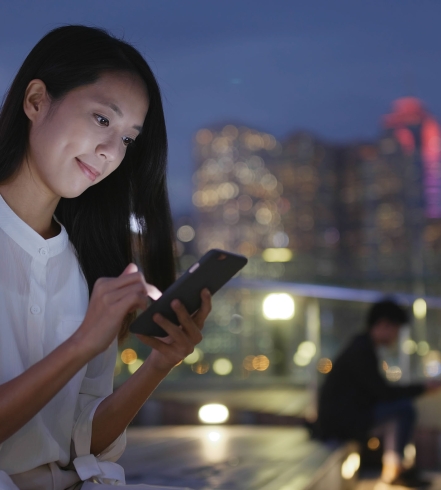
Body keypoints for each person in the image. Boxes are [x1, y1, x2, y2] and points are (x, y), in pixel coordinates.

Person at [0, 25, 212, 489]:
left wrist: (159, 365)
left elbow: (84, 442)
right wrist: (80, 344)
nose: (112, 151)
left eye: (129, 139)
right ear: (36, 101)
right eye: (102, 120)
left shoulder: (86, 264)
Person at [316, 299, 440, 487]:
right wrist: (423, 388)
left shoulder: (362, 346)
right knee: (404, 410)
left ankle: (394, 468)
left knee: (400, 411)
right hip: (340, 424)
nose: (396, 336)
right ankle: (394, 469)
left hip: (342, 419)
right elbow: (383, 393)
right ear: (383, 325)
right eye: (396, 329)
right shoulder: (362, 350)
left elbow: (378, 392)